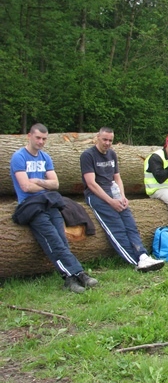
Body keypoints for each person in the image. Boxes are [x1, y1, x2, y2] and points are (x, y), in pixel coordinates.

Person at [10, 123, 98, 293]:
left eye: (44, 139)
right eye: (38, 138)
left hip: (49, 203)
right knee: (52, 240)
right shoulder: (19, 157)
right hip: (31, 206)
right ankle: (73, 276)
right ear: (29, 136)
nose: (41, 141)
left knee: (62, 240)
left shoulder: (45, 157)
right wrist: (45, 185)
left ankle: (75, 276)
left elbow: (55, 184)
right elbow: (25, 187)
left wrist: (37, 182)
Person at [81, 127, 165, 272]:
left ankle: (143, 256)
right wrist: (110, 201)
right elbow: (91, 184)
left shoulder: (112, 154)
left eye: (110, 141)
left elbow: (117, 178)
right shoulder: (88, 155)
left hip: (113, 192)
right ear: (97, 138)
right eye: (105, 140)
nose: (107, 143)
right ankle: (135, 262)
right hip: (96, 195)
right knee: (117, 228)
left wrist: (122, 196)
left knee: (130, 224)